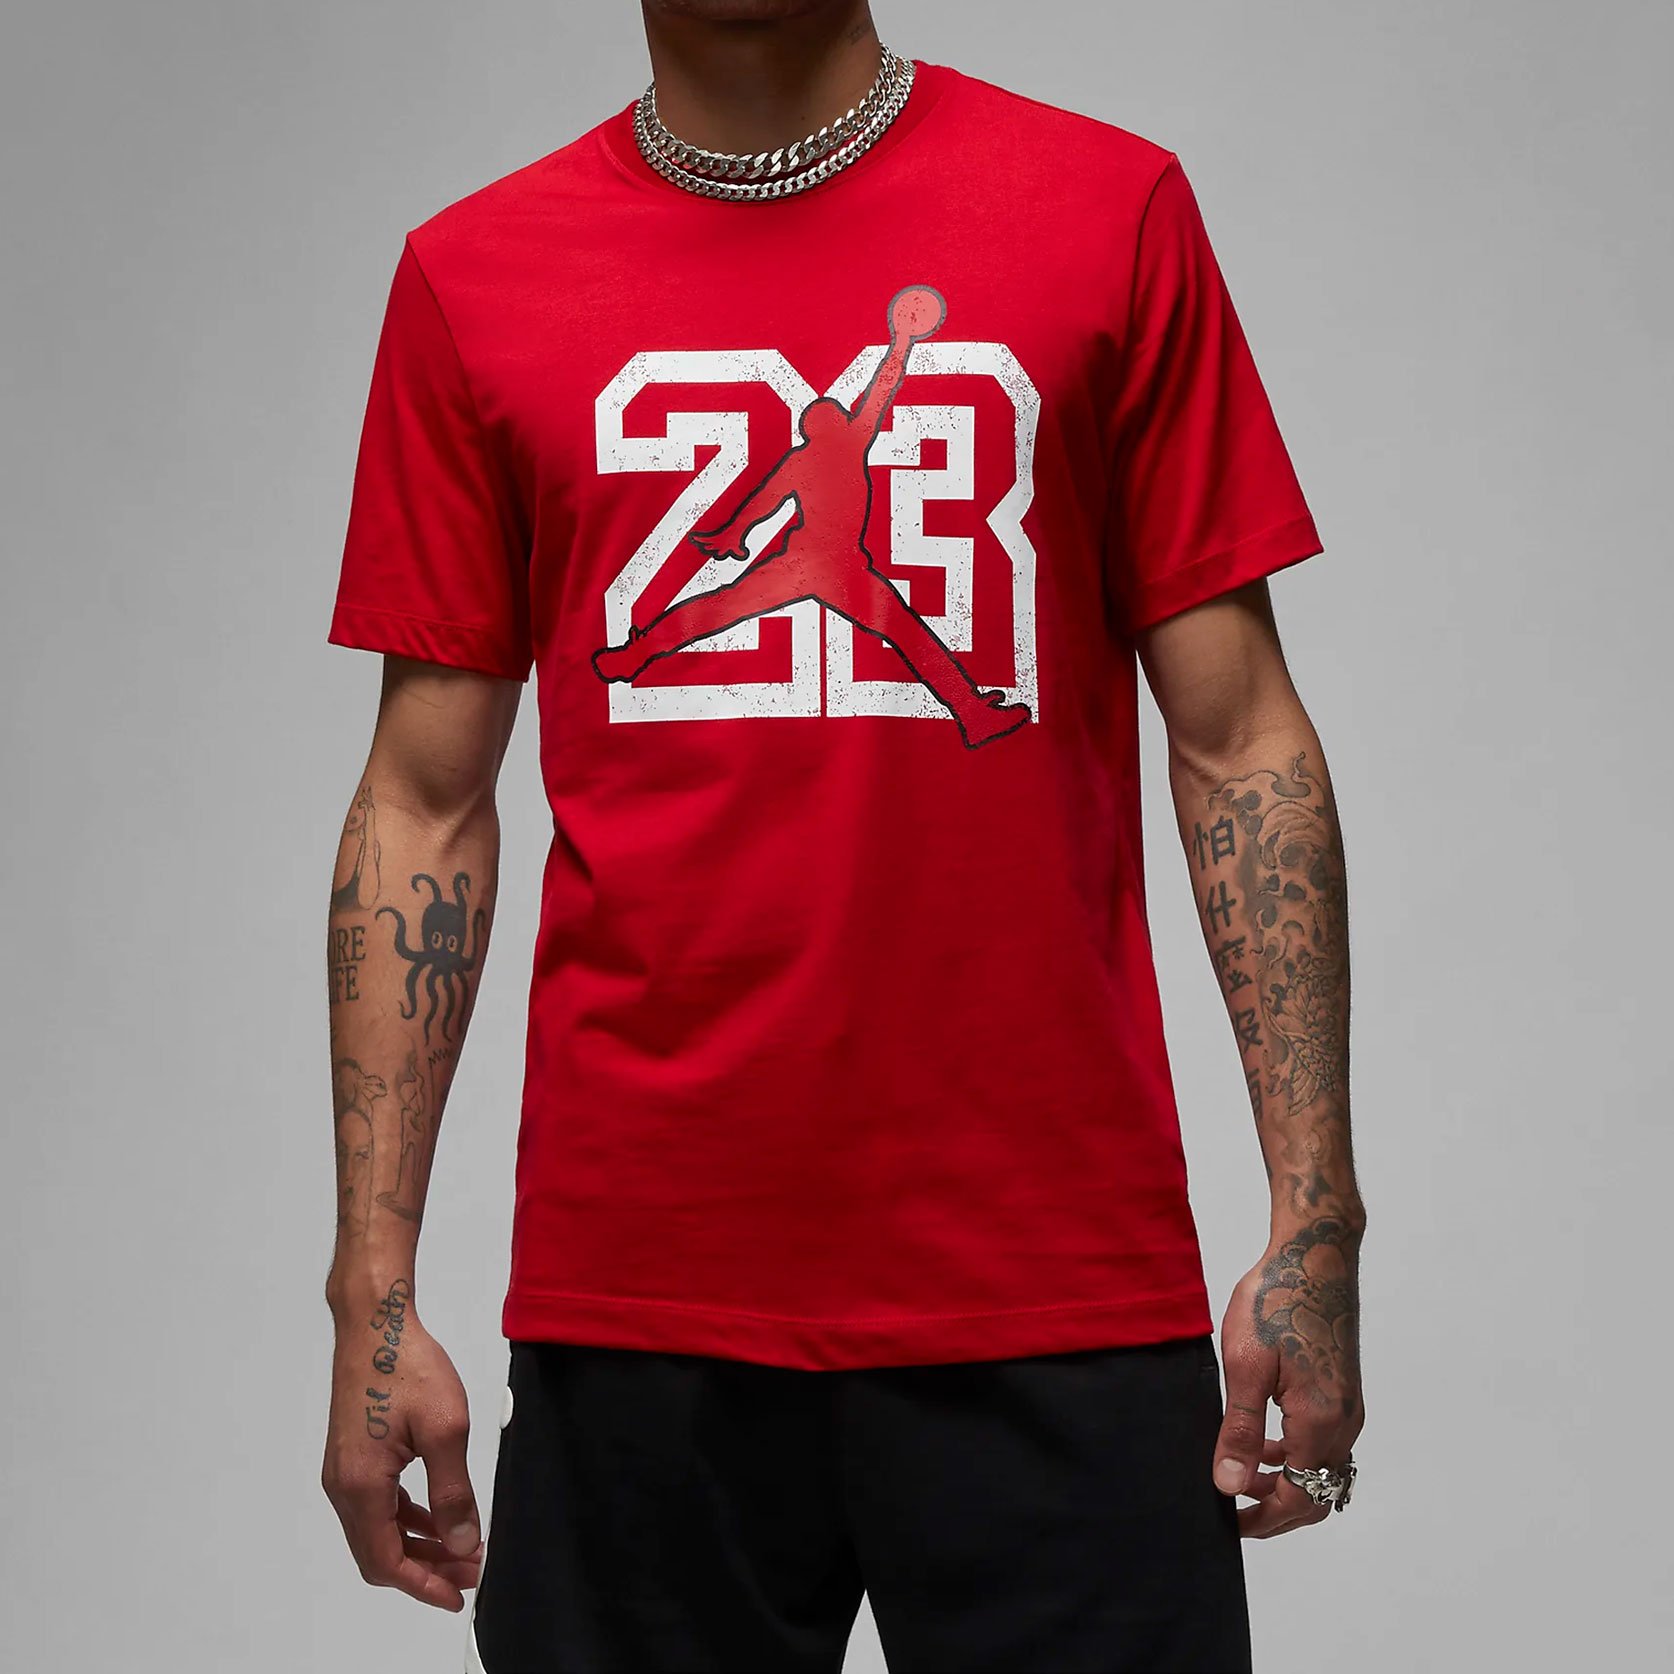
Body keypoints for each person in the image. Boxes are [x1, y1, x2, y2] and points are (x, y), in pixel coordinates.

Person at [319, 3, 1366, 1669]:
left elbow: (1239, 741)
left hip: (1053, 1278)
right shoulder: (475, 276)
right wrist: (370, 1296)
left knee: (869, 632)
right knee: (744, 619)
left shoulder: (1108, 213)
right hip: (639, 1299)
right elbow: (420, 803)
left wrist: (1316, 1223)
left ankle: (925, 685)